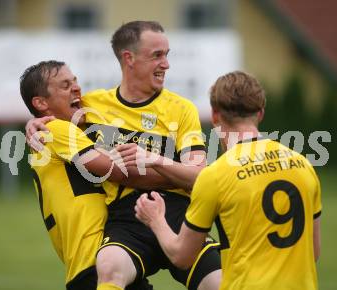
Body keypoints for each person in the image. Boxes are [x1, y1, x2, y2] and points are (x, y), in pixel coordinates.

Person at [26, 21, 222, 290]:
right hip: (128, 216)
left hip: (178, 212)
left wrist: (155, 160)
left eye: (167, 54)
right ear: (128, 58)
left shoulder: (181, 109)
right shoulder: (90, 106)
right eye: (157, 55)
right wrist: (36, 121)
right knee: (109, 267)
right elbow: (56, 113)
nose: (166, 64)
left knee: (219, 283)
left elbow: (199, 176)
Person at [134, 71, 322, 290]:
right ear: (260, 113)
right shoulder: (303, 165)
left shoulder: (215, 176)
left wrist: (155, 219)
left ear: (215, 115)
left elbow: (181, 256)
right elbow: (313, 252)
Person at [20, 60, 169, 290]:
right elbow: (116, 171)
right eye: (65, 85)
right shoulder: (55, 129)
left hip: (112, 255)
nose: (77, 88)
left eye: (75, 81)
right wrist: (180, 177)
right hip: (93, 263)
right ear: (41, 102)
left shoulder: (75, 129)